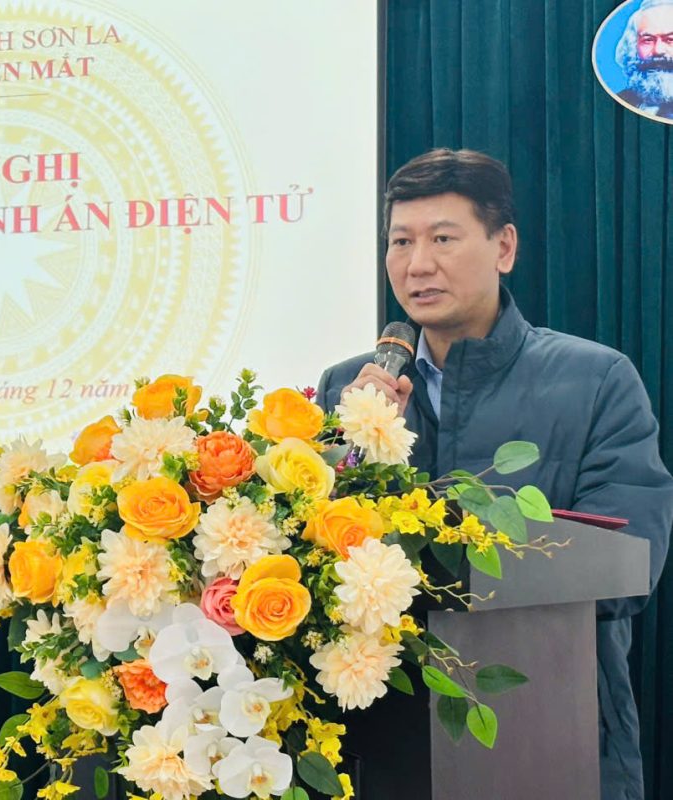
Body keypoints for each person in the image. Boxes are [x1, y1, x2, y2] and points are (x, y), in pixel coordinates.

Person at [317, 148, 673, 800]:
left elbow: (633, 560)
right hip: (383, 748)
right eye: (401, 241)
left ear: (504, 247)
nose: (417, 264)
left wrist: (444, 557)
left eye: (442, 239)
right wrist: (353, 451)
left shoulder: (595, 380)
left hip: (549, 737)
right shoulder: (351, 387)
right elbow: (312, 553)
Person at [615, 0, 673, 118]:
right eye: (648, 40)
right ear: (633, 46)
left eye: (670, 39)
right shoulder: (619, 102)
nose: (658, 50)